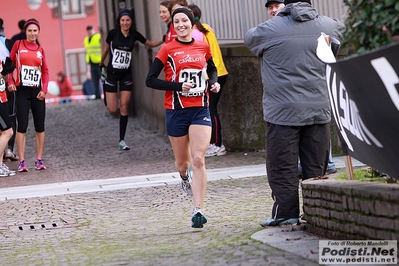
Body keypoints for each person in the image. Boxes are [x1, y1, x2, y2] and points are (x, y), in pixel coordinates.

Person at [244, 0, 345, 226]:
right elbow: (338, 37)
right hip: (318, 108)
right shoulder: (329, 26)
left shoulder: (269, 30)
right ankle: (316, 215)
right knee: (316, 167)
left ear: (285, 5)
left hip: (282, 112)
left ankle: (285, 213)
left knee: (282, 166)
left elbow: (250, 38)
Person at [146, 7, 220, 228]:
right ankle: (184, 178)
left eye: (184, 20)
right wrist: (178, 86)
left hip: (200, 108)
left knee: (198, 158)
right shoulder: (167, 49)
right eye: (176, 21)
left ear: (191, 23)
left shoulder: (202, 45)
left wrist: (213, 82)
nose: (180, 25)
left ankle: (198, 210)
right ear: (173, 25)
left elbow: (212, 68)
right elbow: (150, 80)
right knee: (183, 163)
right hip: (176, 111)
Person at [100, 9, 163, 151]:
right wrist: (100, 63)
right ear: (119, 21)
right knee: (112, 109)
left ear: (131, 21)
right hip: (112, 73)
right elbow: (105, 50)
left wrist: (164, 40)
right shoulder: (112, 34)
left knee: (124, 107)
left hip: (126, 75)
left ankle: (122, 139)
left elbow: (150, 44)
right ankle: (105, 84)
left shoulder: (134, 35)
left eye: (128, 20)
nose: (125, 23)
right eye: (123, 20)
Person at [7, 18, 49, 172]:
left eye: (35, 31)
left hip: (37, 91)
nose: (32, 33)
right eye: (30, 30)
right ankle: (22, 161)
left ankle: (39, 159)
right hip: (22, 90)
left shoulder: (40, 50)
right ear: (26, 32)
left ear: (38, 32)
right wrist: (10, 81)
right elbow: (9, 65)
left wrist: (44, 90)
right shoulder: (18, 45)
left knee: (40, 126)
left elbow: (45, 71)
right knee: (22, 126)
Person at [187, 4, 229, 157]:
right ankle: (213, 143)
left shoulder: (195, 33)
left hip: (211, 76)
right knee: (210, 109)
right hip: (220, 72)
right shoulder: (207, 28)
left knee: (211, 109)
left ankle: (217, 144)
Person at [0, 18, 18, 162]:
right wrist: (5, 73)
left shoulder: (8, 42)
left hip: (5, 85)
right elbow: (12, 65)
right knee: (9, 121)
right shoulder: (8, 43)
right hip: (6, 85)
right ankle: (9, 150)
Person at [84, 25, 102, 100]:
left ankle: (106, 95)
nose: (89, 32)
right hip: (91, 63)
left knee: (103, 79)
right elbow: (87, 52)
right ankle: (97, 95)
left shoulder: (98, 37)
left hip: (99, 62)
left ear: (93, 30)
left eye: (90, 30)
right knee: (95, 81)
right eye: (88, 30)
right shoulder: (86, 39)